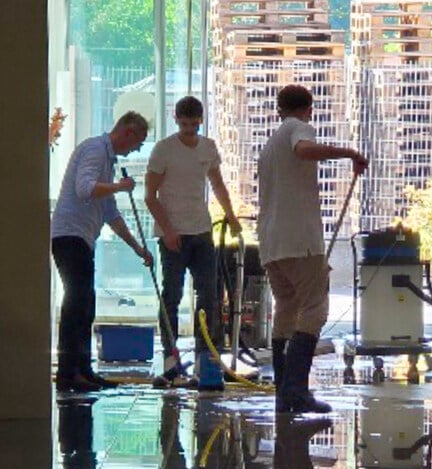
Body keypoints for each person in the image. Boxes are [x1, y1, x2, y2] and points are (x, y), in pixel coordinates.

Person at [257, 84, 369, 413]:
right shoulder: (298, 128)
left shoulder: (268, 147)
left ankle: (283, 391)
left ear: (279, 108)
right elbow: (304, 149)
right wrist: (349, 153)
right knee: (315, 310)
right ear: (308, 109)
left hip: (271, 243)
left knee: (286, 311)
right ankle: (295, 391)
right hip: (300, 241)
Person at [51, 111, 153, 393]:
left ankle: (81, 370)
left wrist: (137, 248)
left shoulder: (106, 160)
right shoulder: (95, 150)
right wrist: (120, 187)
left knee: (85, 303)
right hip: (70, 235)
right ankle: (69, 372)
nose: (137, 149)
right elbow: (84, 189)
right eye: (139, 142)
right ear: (128, 132)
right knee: (77, 303)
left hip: (80, 238)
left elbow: (110, 212)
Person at [145, 96, 241, 387]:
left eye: (193, 124)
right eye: (184, 123)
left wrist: (231, 216)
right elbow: (150, 195)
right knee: (171, 295)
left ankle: (205, 360)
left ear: (200, 120)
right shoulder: (164, 150)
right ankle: (171, 360)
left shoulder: (207, 148)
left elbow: (218, 183)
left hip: (201, 231)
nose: (189, 129)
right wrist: (168, 230)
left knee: (209, 296)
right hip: (173, 235)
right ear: (176, 119)